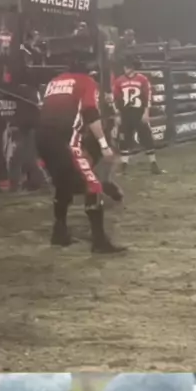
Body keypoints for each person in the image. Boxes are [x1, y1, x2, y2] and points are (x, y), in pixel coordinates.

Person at [37, 51, 126, 254]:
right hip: (65, 139)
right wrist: (104, 144)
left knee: (63, 184)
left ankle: (59, 233)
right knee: (93, 185)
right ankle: (99, 241)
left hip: (42, 138)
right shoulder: (86, 82)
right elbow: (90, 112)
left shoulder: (54, 82)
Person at [113, 54, 165, 175]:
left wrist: (146, 112)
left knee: (146, 137)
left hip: (139, 112)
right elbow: (116, 99)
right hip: (125, 113)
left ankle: (153, 164)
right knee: (124, 139)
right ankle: (124, 165)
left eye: (128, 66)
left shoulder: (142, 79)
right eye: (125, 66)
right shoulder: (119, 81)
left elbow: (147, 96)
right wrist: (118, 114)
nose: (126, 69)